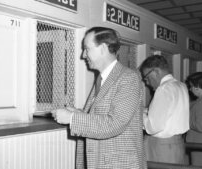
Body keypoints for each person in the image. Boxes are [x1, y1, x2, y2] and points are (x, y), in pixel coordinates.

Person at [51, 27, 147, 169]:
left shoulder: (128, 78)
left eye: (87, 49)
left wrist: (72, 118)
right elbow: (101, 116)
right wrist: (78, 113)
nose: (83, 55)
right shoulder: (102, 78)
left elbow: (114, 124)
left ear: (102, 48)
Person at [139, 55, 189, 164]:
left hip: (161, 147)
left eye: (147, 78)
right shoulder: (181, 85)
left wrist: (139, 113)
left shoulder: (163, 89)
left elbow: (153, 127)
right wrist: (146, 112)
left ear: (155, 72)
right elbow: (170, 114)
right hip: (177, 143)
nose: (147, 83)